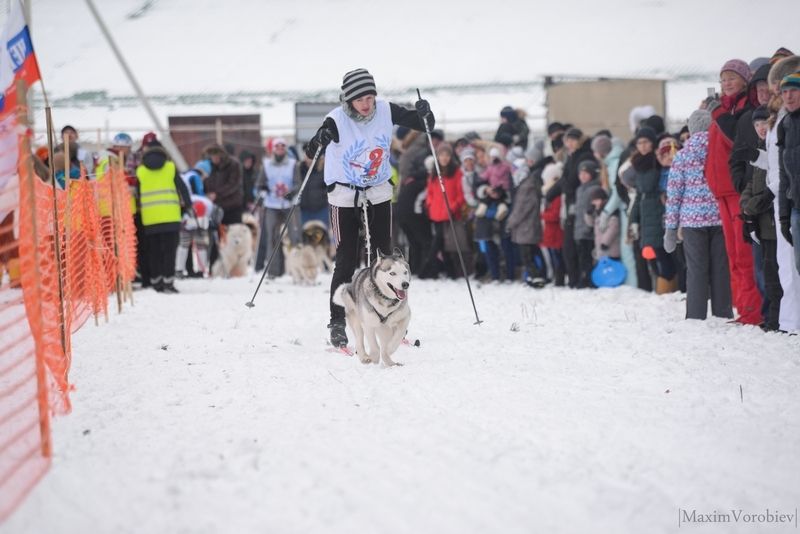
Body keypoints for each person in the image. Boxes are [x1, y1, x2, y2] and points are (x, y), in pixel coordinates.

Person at [304, 68, 433, 347]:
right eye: (360, 98)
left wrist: (426, 113)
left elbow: (425, 125)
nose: (366, 103)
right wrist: (319, 140)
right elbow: (310, 151)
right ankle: (337, 322)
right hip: (343, 194)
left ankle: (390, 318)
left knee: (383, 258)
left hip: (377, 190)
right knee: (346, 258)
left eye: (370, 96)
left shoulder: (385, 110)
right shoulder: (335, 119)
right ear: (348, 99)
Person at [705, 59, 762, 324]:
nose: (726, 84)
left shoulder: (744, 110)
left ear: (744, 81)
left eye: (731, 78)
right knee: (732, 253)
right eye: (723, 79)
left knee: (744, 251)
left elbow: (734, 140)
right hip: (722, 191)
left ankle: (753, 309)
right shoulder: (725, 110)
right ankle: (743, 307)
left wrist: (717, 114)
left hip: (737, 189)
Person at [664, 109, 732, 320]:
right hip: (720, 217)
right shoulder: (721, 150)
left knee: (696, 270)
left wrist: (671, 228)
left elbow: (674, 194)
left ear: (692, 128)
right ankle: (722, 312)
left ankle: (695, 314)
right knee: (721, 268)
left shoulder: (682, 155)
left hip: (692, 221)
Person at [740, 106, 783, 331]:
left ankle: (776, 319)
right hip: (761, 224)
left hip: (773, 222)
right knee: (765, 272)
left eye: (764, 124)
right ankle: (769, 316)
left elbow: (770, 187)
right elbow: (751, 183)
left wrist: (753, 205)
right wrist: (746, 203)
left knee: (774, 272)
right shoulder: (759, 150)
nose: (760, 129)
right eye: (756, 125)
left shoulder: (773, 150)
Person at [135, 140, 192, 293]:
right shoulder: (170, 168)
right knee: (169, 250)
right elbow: (183, 188)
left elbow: (138, 193)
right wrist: (188, 206)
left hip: (150, 218)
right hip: (171, 216)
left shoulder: (140, 171)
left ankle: (156, 281)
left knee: (153, 251)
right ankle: (168, 282)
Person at [421, 143, 465, 279]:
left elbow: (461, 194)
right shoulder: (435, 173)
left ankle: (425, 271)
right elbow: (430, 192)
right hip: (436, 214)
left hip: (450, 215)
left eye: (447, 155)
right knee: (442, 246)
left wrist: (452, 207)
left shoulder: (457, 172)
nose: (444, 158)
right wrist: (429, 204)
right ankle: (451, 273)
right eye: (441, 155)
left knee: (438, 244)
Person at [255, 138, 298, 276]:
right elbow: (260, 184)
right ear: (273, 149)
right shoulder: (266, 165)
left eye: (282, 146)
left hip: (289, 204)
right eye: (277, 146)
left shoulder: (293, 164)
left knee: (294, 236)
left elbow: (298, 183)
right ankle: (273, 271)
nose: (280, 148)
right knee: (272, 238)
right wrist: (263, 191)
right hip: (272, 204)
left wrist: (291, 193)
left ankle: (296, 269)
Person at [778, 71, 800, 275]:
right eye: (784, 92)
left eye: (794, 90)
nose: (788, 96)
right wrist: (784, 216)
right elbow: (784, 175)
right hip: (795, 207)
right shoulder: (784, 125)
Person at [574, 160, 602, 288]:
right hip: (579, 229)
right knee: (582, 257)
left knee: (590, 257)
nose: (583, 176)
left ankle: (592, 279)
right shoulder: (579, 189)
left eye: (586, 173)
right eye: (581, 173)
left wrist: (590, 227)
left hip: (589, 230)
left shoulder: (595, 188)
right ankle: (584, 278)